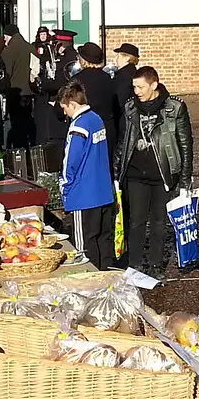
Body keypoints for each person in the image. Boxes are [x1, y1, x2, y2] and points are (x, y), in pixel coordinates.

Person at [115, 65, 193, 279]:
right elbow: (123, 141)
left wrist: (185, 180)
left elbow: (185, 143)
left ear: (154, 85)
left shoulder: (174, 108)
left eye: (140, 87)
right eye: (134, 87)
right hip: (135, 173)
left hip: (163, 173)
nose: (137, 91)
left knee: (159, 222)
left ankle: (156, 265)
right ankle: (135, 265)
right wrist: (116, 173)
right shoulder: (130, 108)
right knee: (137, 221)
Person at [58, 80, 116, 269]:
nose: (64, 113)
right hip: (103, 191)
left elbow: (70, 161)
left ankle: (92, 285)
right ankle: (109, 280)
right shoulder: (97, 119)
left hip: (83, 196)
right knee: (104, 240)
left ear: (72, 104)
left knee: (85, 246)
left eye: (64, 108)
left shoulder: (78, 127)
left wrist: (64, 186)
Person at [73, 42, 117, 164]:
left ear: (83, 60)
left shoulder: (77, 80)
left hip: (85, 129)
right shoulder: (107, 78)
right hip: (106, 128)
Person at [34, 29, 78, 144]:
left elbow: (60, 80)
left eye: (56, 43)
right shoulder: (61, 56)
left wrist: (44, 85)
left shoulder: (68, 57)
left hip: (62, 100)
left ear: (62, 44)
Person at [0, 23, 33, 149]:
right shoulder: (30, 47)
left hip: (15, 93)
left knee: (16, 125)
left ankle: (19, 153)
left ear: (8, 36)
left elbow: (6, 74)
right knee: (27, 123)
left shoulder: (8, 51)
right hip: (30, 92)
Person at [110, 43, 140, 129]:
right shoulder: (133, 72)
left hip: (123, 119)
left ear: (127, 58)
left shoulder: (123, 76)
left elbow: (120, 99)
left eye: (119, 56)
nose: (116, 59)